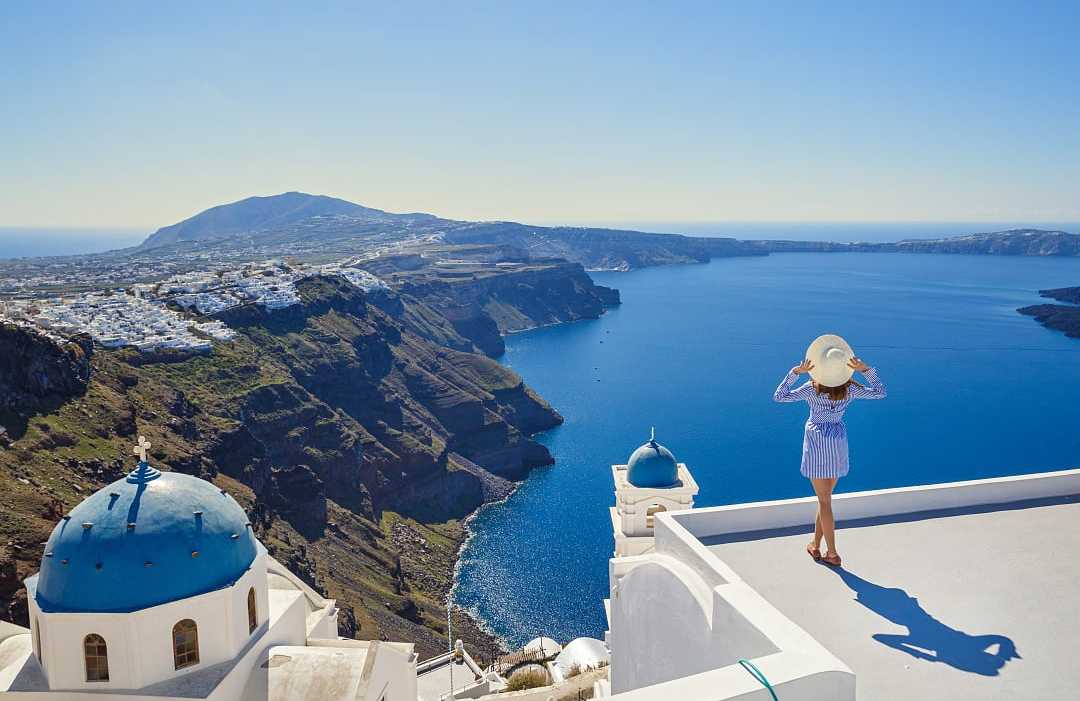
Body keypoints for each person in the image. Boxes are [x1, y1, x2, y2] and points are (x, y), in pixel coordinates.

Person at [773, 334, 886, 567]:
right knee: (824, 499)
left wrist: (794, 373)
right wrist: (865, 370)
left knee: (824, 501)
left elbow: (779, 397)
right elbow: (880, 392)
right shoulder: (850, 389)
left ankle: (832, 553)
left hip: (817, 442)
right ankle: (815, 545)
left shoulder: (811, 389)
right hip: (836, 442)